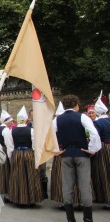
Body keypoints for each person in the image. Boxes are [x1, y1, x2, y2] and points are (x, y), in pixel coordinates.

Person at [54, 94, 102, 222]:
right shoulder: (82, 117)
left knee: (67, 186)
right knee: (85, 186)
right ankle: (87, 219)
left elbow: (49, 135)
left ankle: (70, 219)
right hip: (81, 154)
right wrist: (91, 149)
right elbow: (94, 133)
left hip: (66, 154)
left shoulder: (57, 119)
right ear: (76, 105)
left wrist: (56, 150)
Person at [4, 106, 43, 206]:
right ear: (26, 120)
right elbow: (35, 145)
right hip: (29, 153)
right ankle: (31, 199)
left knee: (18, 176)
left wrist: (10, 157)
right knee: (31, 175)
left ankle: (19, 198)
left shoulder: (11, 131)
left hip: (17, 154)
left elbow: (10, 146)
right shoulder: (31, 130)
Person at [90, 96, 110, 210]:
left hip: (103, 148)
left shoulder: (97, 123)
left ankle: (104, 196)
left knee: (103, 172)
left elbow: (94, 137)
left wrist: (91, 150)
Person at [0, 110, 14, 202]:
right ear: (6, 121)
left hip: (1, 149)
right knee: (7, 172)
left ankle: (4, 192)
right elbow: (9, 144)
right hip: (5, 150)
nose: (12, 122)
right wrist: (10, 156)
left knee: (2, 172)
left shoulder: (0, 128)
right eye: (10, 121)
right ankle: (7, 194)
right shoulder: (5, 130)